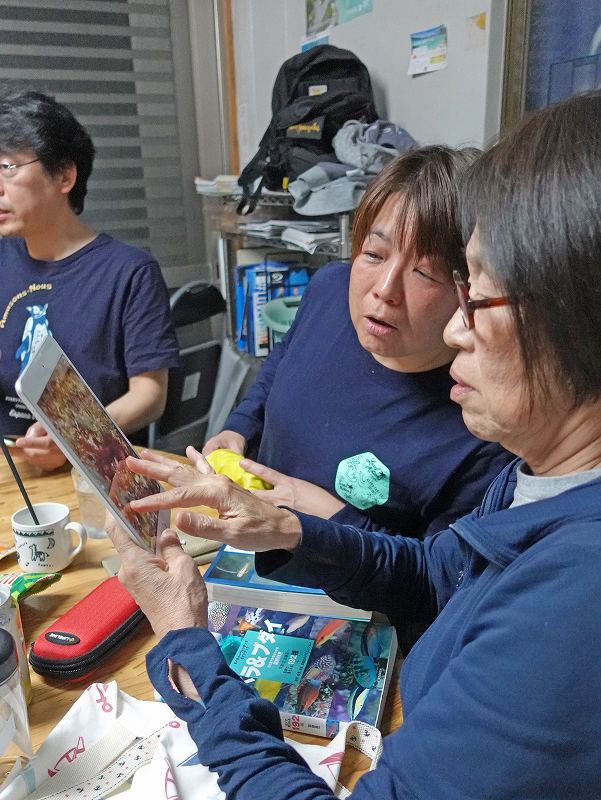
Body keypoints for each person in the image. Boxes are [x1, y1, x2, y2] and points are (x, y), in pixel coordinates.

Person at [109, 90, 601, 797]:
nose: (457, 330)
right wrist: (288, 526)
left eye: (477, 295)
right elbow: (439, 573)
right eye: (371, 254)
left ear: (575, 322)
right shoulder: (539, 468)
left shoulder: (573, 605)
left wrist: (187, 643)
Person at [204, 146, 510, 536]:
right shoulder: (330, 290)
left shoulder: (481, 425)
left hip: (337, 593)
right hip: (244, 548)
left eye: (424, 273)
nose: (384, 290)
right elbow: (280, 363)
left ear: (470, 289)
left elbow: (438, 580)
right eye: (373, 254)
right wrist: (240, 427)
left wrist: (326, 516)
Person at [0, 89, 180, 470]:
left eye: (8, 167)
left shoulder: (129, 272)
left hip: (91, 470)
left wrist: (72, 437)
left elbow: (150, 394)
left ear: (64, 175)